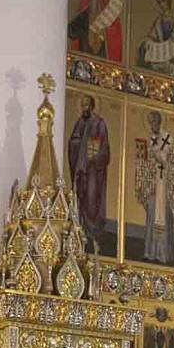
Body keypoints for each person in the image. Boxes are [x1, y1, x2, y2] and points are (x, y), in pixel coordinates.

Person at [67, 94, 112, 253]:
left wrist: (95, 156)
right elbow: (73, 141)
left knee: (92, 199)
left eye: (86, 105)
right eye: (82, 105)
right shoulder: (80, 123)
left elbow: (105, 148)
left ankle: (92, 232)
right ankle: (79, 229)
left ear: (92, 106)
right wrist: (79, 144)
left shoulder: (99, 123)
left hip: (93, 169)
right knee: (80, 196)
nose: (84, 108)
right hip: (81, 167)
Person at [134, 111, 174, 265]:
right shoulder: (150, 140)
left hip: (165, 187)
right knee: (151, 219)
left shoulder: (169, 140)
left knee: (164, 220)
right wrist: (142, 161)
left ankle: (162, 254)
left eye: (153, 122)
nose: (151, 125)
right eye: (149, 122)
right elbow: (146, 165)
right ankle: (150, 252)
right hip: (153, 188)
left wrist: (162, 159)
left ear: (159, 122)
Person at [135, 0, 174, 78]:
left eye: (163, 1)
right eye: (159, 2)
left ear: (169, 0)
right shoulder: (158, 21)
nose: (161, 5)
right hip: (159, 57)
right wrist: (148, 41)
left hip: (173, 60)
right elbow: (152, 36)